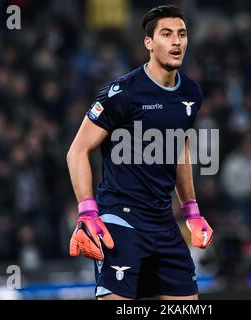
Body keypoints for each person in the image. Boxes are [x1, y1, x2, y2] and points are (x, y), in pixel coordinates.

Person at [66, 5, 213, 300]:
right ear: (149, 43)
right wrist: (87, 212)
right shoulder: (122, 93)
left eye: (182, 35)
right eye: (167, 34)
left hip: (163, 222)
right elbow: (77, 151)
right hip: (120, 220)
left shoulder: (191, 94)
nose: (176, 42)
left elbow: (179, 147)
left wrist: (191, 210)